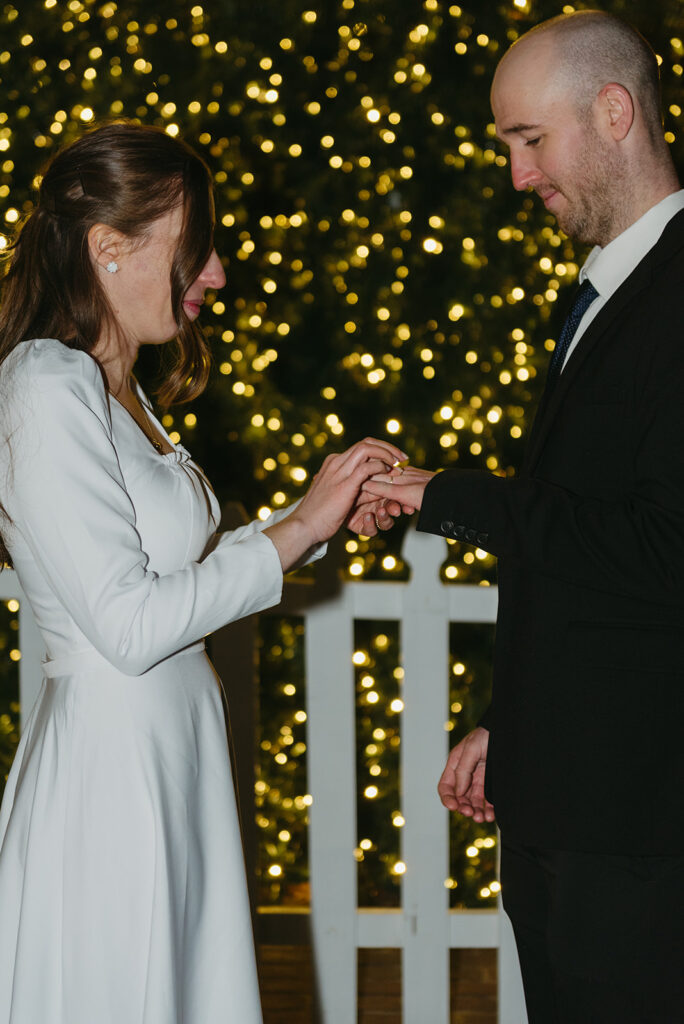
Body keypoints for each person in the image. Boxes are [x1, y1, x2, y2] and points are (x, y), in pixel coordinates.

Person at [0, 121, 402, 1024]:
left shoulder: (121, 390)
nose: (216, 275)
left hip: (167, 753)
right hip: (113, 777)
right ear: (108, 246)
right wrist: (292, 533)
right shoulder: (43, 382)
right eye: (197, 249)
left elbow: (179, 572)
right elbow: (132, 623)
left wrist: (321, 520)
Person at [362, 10, 684, 1022]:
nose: (515, 176)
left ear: (615, 111)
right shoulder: (605, 292)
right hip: (575, 805)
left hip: (638, 831)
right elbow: (596, 558)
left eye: (528, 139)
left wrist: (452, 494)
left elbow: (667, 549)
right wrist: (515, 722)